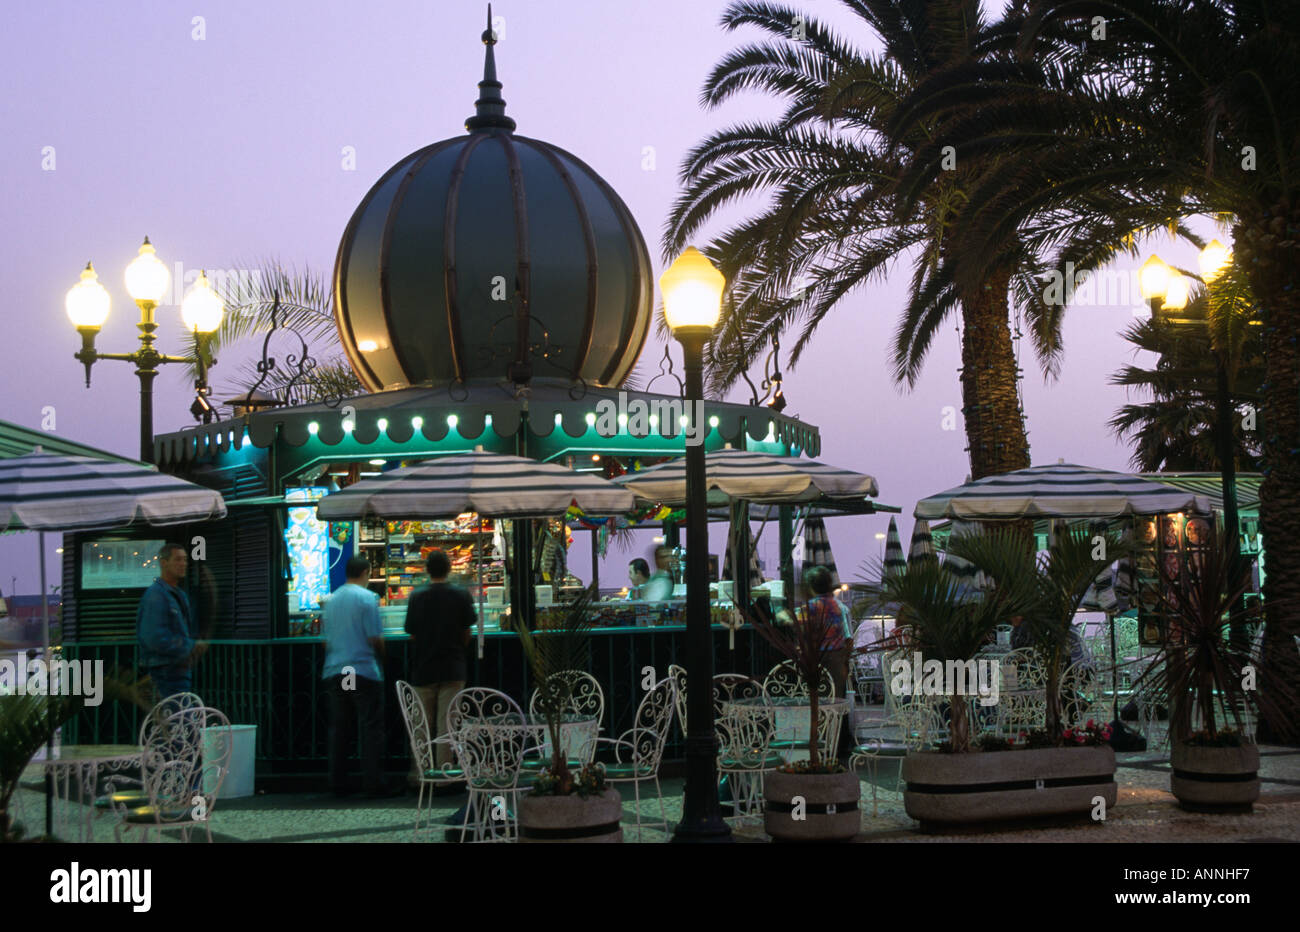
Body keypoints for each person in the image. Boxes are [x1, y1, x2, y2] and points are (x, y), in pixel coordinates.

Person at [323, 556, 393, 797]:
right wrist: (383, 660)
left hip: (338, 670)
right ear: (365, 572)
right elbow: (375, 638)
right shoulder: (367, 598)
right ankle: (373, 783)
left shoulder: (331, 601)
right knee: (370, 727)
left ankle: (337, 782)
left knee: (341, 727)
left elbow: (325, 642)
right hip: (361, 669)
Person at [403, 549, 475, 782]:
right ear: (450, 568)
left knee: (421, 724)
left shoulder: (416, 596)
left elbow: (411, 633)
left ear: (426, 569)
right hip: (453, 667)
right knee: (447, 726)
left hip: (423, 668)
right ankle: (445, 776)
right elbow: (467, 632)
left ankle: (421, 775)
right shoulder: (461, 595)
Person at [137, 543, 206, 701]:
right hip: (166, 671)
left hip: (176, 669)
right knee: (178, 718)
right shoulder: (156, 596)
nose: (183, 564)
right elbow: (154, 638)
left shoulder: (177, 594)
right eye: (177, 560)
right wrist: (189, 646)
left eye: (185, 560)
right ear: (163, 562)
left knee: (179, 718)